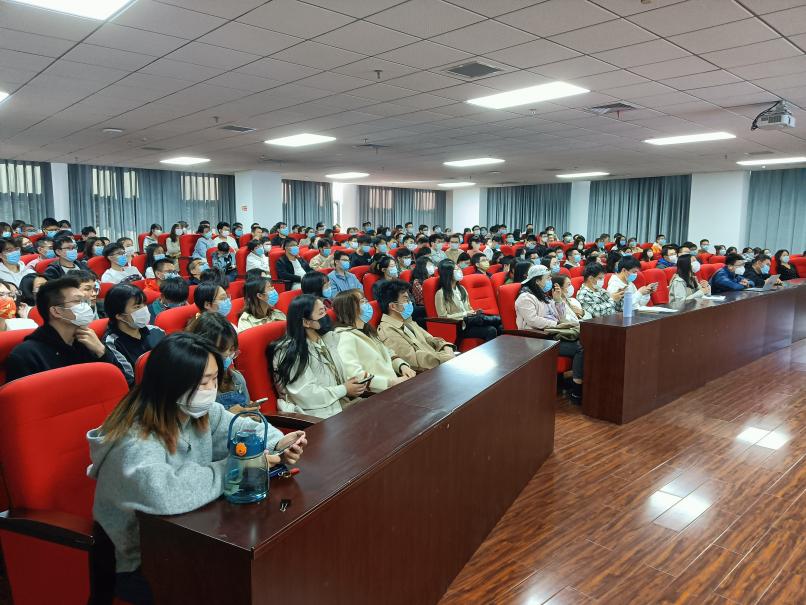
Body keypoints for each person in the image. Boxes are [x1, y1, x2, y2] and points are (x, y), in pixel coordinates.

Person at [88, 333, 306, 603]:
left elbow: (244, 427)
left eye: (214, 379)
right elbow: (163, 493)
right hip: (138, 560)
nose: (211, 390)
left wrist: (276, 444)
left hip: (189, 534)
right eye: (203, 382)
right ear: (170, 382)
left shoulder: (198, 411)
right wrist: (235, 466)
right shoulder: (134, 438)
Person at [6, 277, 121, 381]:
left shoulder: (88, 341)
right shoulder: (26, 355)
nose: (86, 306)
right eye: (78, 301)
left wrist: (102, 351)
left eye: (85, 301)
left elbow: (119, 380)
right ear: (56, 311)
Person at [270, 294, 367, 418]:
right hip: (318, 415)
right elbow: (307, 395)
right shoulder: (288, 352)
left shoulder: (326, 339)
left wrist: (351, 385)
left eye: (325, 310)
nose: (326, 316)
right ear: (306, 322)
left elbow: (332, 379)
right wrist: (344, 389)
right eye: (321, 313)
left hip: (339, 405)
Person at [515, 264, 583, 402]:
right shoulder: (525, 298)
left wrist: (557, 300)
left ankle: (581, 382)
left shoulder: (543, 295)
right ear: (537, 280)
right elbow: (533, 320)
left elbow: (561, 317)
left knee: (586, 341)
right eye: (547, 278)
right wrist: (556, 325)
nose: (550, 281)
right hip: (538, 338)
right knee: (580, 348)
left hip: (553, 334)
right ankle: (577, 391)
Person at [332, 290, 415, 393]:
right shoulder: (345, 336)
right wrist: (390, 382)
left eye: (366, 301)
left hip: (394, 385)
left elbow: (387, 352)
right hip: (378, 392)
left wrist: (402, 366)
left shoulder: (366, 329)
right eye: (362, 302)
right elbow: (354, 374)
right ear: (349, 308)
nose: (367, 305)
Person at [376, 279, 455, 372]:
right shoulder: (388, 331)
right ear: (393, 306)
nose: (410, 303)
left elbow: (430, 339)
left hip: (441, 362)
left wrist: (446, 346)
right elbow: (415, 360)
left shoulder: (407, 320)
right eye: (406, 299)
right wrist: (447, 358)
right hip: (428, 373)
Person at [186, 313, 254, 412]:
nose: (228, 355)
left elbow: (248, 413)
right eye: (221, 350)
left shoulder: (236, 379)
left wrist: (251, 412)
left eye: (231, 349)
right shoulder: (187, 385)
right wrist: (229, 415)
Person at [103, 284, 165, 386]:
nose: (144, 309)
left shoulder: (156, 331)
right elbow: (131, 382)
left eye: (144, 304)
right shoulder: (113, 344)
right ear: (120, 316)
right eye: (137, 307)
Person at [434, 260, 498, 344]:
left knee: (498, 326)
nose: (460, 271)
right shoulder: (441, 293)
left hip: (469, 322)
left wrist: (473, 312)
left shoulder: (462, 289)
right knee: (491, 330)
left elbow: (468, 308)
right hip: (458, 327)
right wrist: (464, 314)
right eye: (456, 269)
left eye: (459, 268)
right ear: (448, 273)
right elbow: (443, 318)